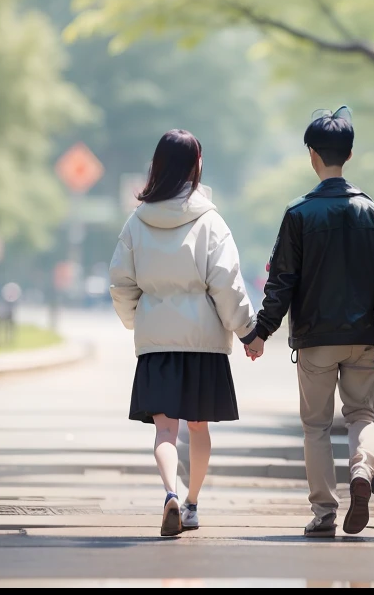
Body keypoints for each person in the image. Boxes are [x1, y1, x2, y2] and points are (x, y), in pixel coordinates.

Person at [245, 107, 374, 538]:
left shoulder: (299, 214)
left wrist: (261, 333)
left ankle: (325, 512)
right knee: (362, 414)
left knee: (315, 426)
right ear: (348, 154)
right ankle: (362, 472)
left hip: (314, 339)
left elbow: (282, 281)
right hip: (361, 337)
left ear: (313, 155)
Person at [109, 129, 257, 538]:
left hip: (157, 344)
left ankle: (169, 493)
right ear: (196, 166)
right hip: (204, 345)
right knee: (198, 428)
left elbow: (121, 282)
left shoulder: (137, 222)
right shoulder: (210, 221)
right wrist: (247, 331)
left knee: (165, 431)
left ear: (156, 166)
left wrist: (136, 320)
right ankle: (191, 503)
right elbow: (226, 282)